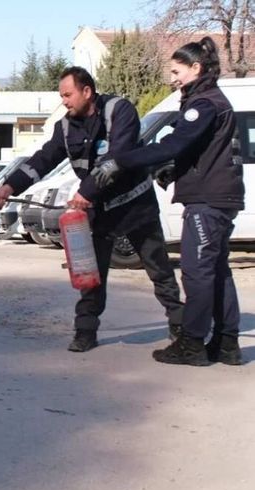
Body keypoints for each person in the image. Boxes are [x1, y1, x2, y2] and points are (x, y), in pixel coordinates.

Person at [0, 66, 184, 353]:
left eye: (67, 95)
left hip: (136, 207)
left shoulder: (120, 112)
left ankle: (180, 328)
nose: (64, 101)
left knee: (159, 271)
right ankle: (85, 332)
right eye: (61, 96)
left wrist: (85, 191)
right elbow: (43, 160)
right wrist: (9, 187)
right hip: (98, 212)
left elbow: (117, 159)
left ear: (87, 92)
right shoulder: (65, 127)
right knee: (90, 275)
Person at [90, 37, 244, 366]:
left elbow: (175, 142)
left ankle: (192, 344)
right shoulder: (211, 101)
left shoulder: (203, 104)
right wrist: (173, 169)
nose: (172, 78)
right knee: (217, 269)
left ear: (196, 68)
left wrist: (124, 160)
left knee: (196, 271)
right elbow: (198, 150)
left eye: (176, 71)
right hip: (220, 196)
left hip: (208, 199)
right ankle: (227, 343)